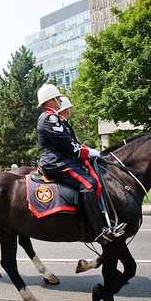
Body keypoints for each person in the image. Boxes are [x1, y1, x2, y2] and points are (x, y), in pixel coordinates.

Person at [36, 84, 123, 241]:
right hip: (56, 161)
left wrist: (87, 151)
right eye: (57, 99)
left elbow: (71, 142)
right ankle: (98, 229)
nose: (59, 101)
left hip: (63, 159)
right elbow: (66, 144)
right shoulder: (49, 118)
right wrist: (87, 152)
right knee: (89, 184)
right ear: (51, 100)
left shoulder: (54, 118)